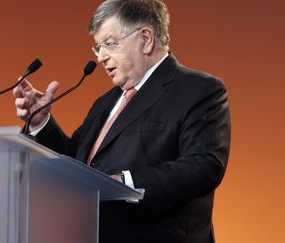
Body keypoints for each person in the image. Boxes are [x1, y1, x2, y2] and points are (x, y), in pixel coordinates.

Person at [13, 0, 231, 242]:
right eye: (98, 48)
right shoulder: (105, 103)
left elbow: (204, 166)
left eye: (110, 44)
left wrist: (126, 183)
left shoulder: (198, 89)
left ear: (146, 39)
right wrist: (41, 123)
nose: (101, 57)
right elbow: (75, 165)